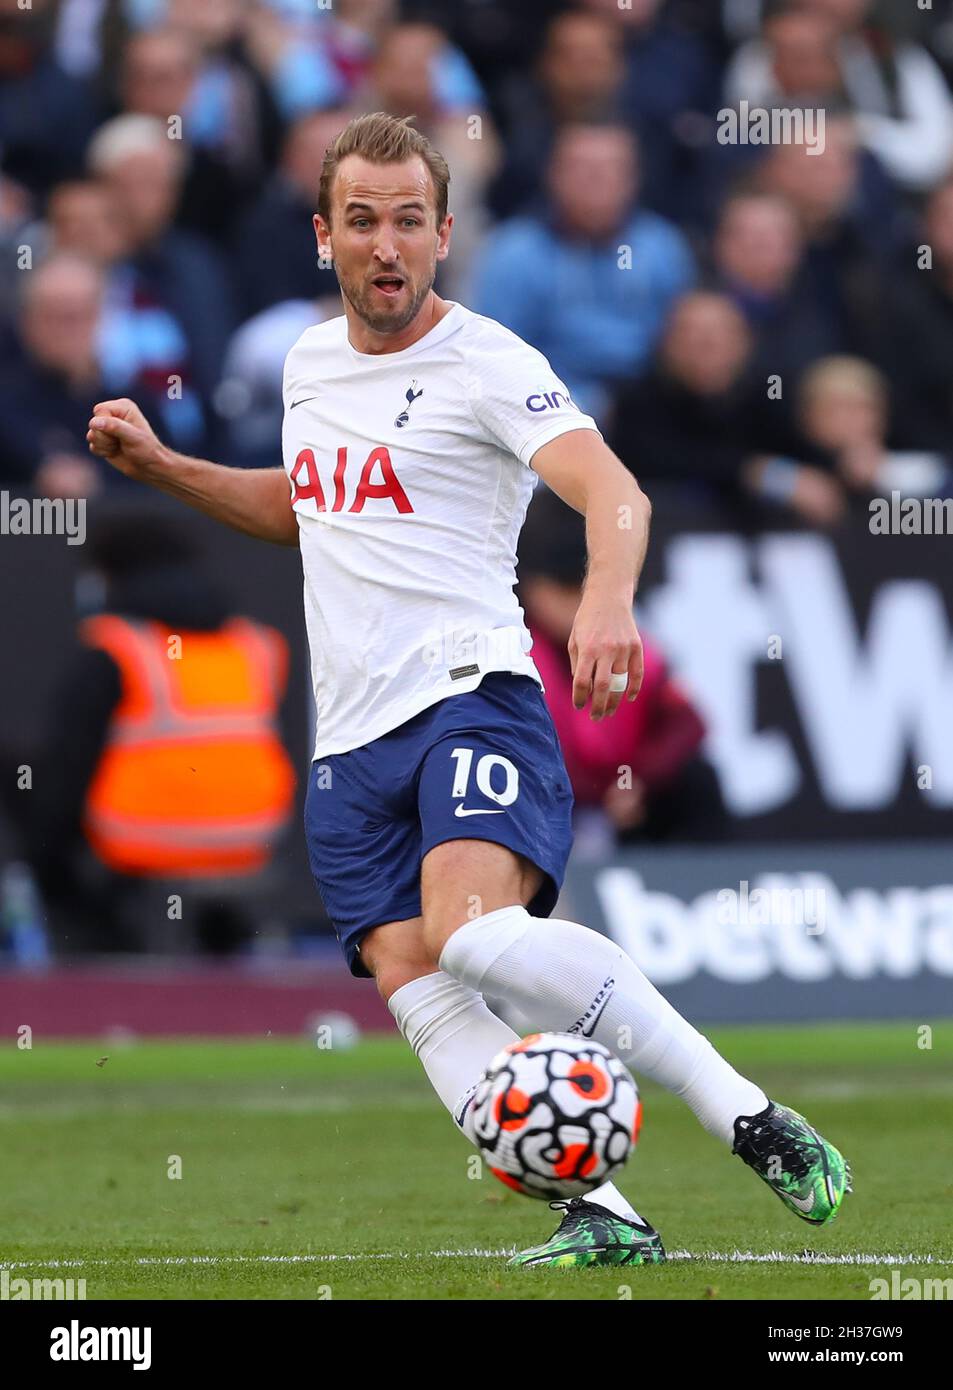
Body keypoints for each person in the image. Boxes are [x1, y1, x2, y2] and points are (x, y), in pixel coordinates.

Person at [86, 111, 851, 1269]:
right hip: (349, 739)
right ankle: (603, 1213)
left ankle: (740, 1110)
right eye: (360, 221)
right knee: (411, 976)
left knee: (473, 936)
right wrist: (167, 467)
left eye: (406, 221)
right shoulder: (304, 361)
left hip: (468, 692)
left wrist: (605, 598)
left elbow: (616, 495)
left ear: (443, 234)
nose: (384, 245)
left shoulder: (489, 360)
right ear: (323, 234)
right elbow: (305, 508)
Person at [1, 511, 296, 955]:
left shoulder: (115, 648)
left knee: (27, 781)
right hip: (253, 837)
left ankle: (89, 946)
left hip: (140, 840)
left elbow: (67, 773)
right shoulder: (254, 644)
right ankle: (221, 939)